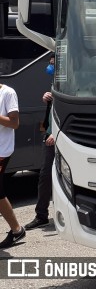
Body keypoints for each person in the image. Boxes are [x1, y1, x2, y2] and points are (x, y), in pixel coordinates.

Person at [25, 55, 55, 230]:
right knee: (44, 176)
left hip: (62, 138)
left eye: (52, 64)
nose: (49, 67)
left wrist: (57, 134)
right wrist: (46, 98)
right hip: (50, 138)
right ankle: (41, 215)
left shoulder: (71, 84)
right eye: (49, 63)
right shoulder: (53, 85)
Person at [0, 82, 25, 248]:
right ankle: (17, 230)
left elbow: (14, 123)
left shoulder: (8, 93)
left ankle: (17, 229)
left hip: (1, 151)